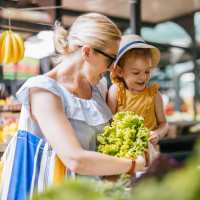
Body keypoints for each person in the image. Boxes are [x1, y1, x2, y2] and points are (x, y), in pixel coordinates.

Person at [0, 14, 145, 200]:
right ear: (87, 52)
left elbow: (106, 145)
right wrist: (133, 164)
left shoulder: (99, 89)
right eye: (111, 59)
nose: (112, 69)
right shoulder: (43, 90)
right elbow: (75, 159)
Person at [107, 34, 169, 162]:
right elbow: (108, 123)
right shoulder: (116, 92)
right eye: (136, 72)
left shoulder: (154, 95)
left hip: (150, 154)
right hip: (123, 155)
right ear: (120, 71)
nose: (143, 77)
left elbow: (164, 124)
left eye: (147, 71)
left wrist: (158, 133)